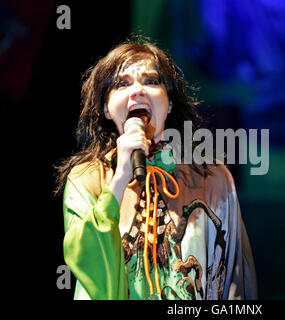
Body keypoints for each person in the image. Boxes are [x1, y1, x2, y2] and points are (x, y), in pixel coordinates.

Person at [54, 39, 258, 300]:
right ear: (106, 108)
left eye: (151, 81)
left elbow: (236, 281)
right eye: (122, 83)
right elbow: (88, 264)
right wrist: (119, 180)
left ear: (169, 103)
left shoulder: (212, 178)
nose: (138, 90)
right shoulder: (88, 179)